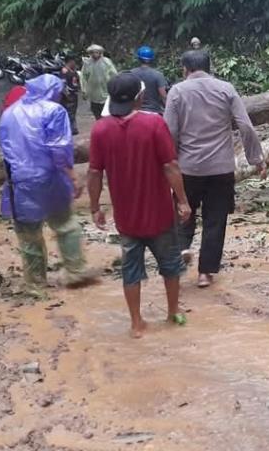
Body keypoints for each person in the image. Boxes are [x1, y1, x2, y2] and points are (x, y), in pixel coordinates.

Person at [88, 73, 192, 339]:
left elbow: (94, 172)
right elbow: (170, 166)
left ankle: (136, 323)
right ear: (140, 97)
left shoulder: (100, 129)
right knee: (170, 264)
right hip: (158, 214)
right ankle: (172, 312)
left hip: (126, 219)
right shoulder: (154, 124)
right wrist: (182, 201)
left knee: (131, 269)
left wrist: (94, 207)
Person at [165, 50, 266, 288]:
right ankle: (205, 273)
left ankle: (181, 251)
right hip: (220, 168)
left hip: (188, 168)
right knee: (215, 219)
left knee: (182, 212)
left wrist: (169, 163)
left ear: (184, 69)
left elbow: (169, 131)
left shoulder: (177, 92)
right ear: (210, 68)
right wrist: (256, 158)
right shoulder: (225, 89)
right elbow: (245, 126)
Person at [0, 74, 96, 295]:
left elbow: (5, 150)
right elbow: (60, 149)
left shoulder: (9, 113)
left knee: (28, 236)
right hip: (49, 178)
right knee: (66, 225)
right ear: (52, 91)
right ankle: (75, 271)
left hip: (19, 182)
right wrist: (73, 177)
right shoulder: (53, 111)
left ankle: (35, 285)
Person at [81, 44, 117, 120]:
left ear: (100, 53)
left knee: (107, 113)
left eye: (97, 52)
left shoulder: (106, 62)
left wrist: (115, 87)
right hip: (93, 93)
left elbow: (114, 74)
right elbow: (83, 77)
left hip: (106, 91)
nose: (95, 54)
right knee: (96, 113)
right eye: (93, 52)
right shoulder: (87, 63)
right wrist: (84, 90)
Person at [131, 45, 169, 115]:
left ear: (138, 59)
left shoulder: (131, 73)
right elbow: (163, 95)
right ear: (152, 59)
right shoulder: (158, 75)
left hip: (135, 112)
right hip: (153, 112)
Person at [60, 54, 81, 135]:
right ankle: (69, 129)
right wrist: (67, 95)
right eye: (74, 61)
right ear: (70, 61)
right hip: (68, 96)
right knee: (69, 113)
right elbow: (63, 85)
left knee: (73, 112)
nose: (75, 63)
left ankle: (73, 128)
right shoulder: (64, 71)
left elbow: (76, 82)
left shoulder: (73, 71)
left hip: (74, 94)